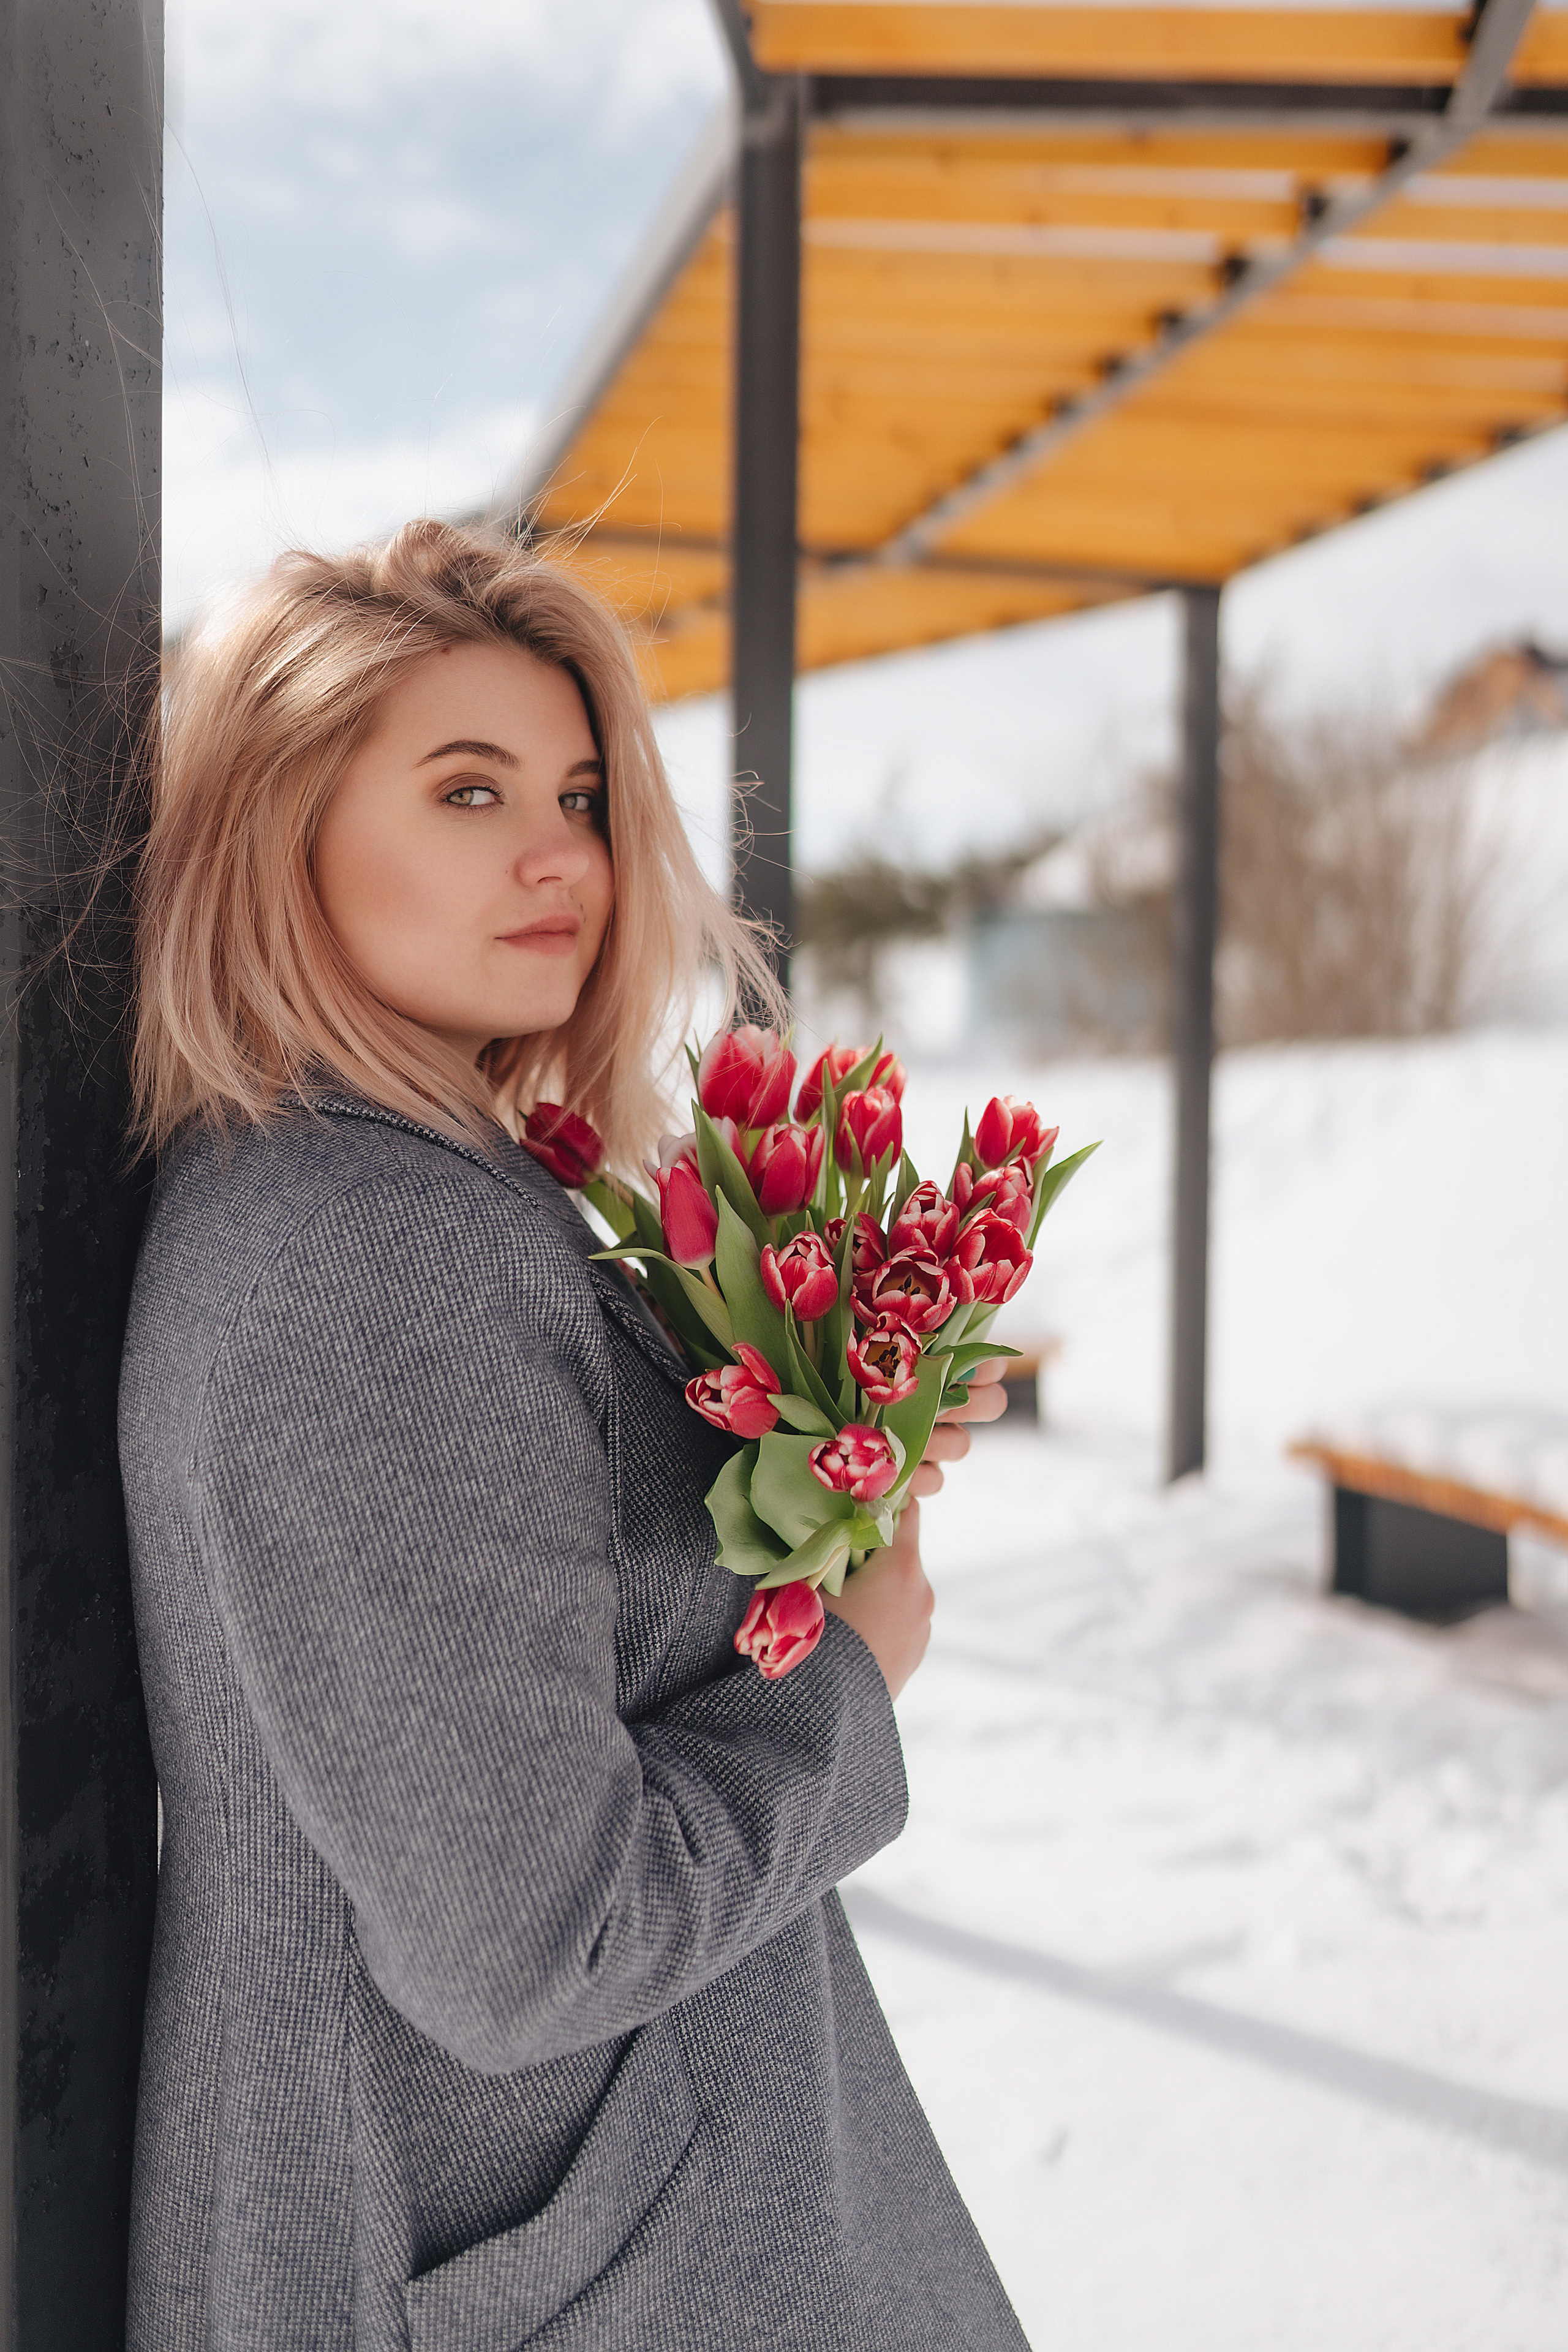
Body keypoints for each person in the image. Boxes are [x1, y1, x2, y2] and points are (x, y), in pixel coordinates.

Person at [119, 519, 1029, 2351]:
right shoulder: (376, 1255)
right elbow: (539, 1948)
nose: (566, 857)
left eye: (585, 793)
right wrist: (844, 1675)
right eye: (469, 792)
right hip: (516, 2256)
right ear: (276, 827)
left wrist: (803, 1457)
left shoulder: (363, 1191)